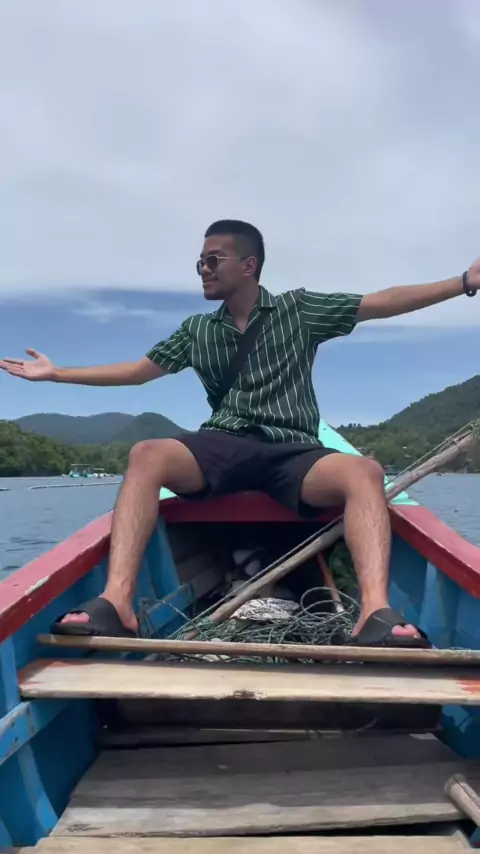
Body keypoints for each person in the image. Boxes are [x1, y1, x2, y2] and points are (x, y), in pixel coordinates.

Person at [1, 219, 478, 647]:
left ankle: (374, 612)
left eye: (214, 260)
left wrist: (462, 283)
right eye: (200, 262)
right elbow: (136, 372)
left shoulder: (299, 309)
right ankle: (116, 603)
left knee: (364, 472)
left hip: (293, 448)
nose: (203, 270)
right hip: (223, 444)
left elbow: (380, 302)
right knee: (147, 454)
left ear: (249, 265)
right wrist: (57, 374)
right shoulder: (197, 330)